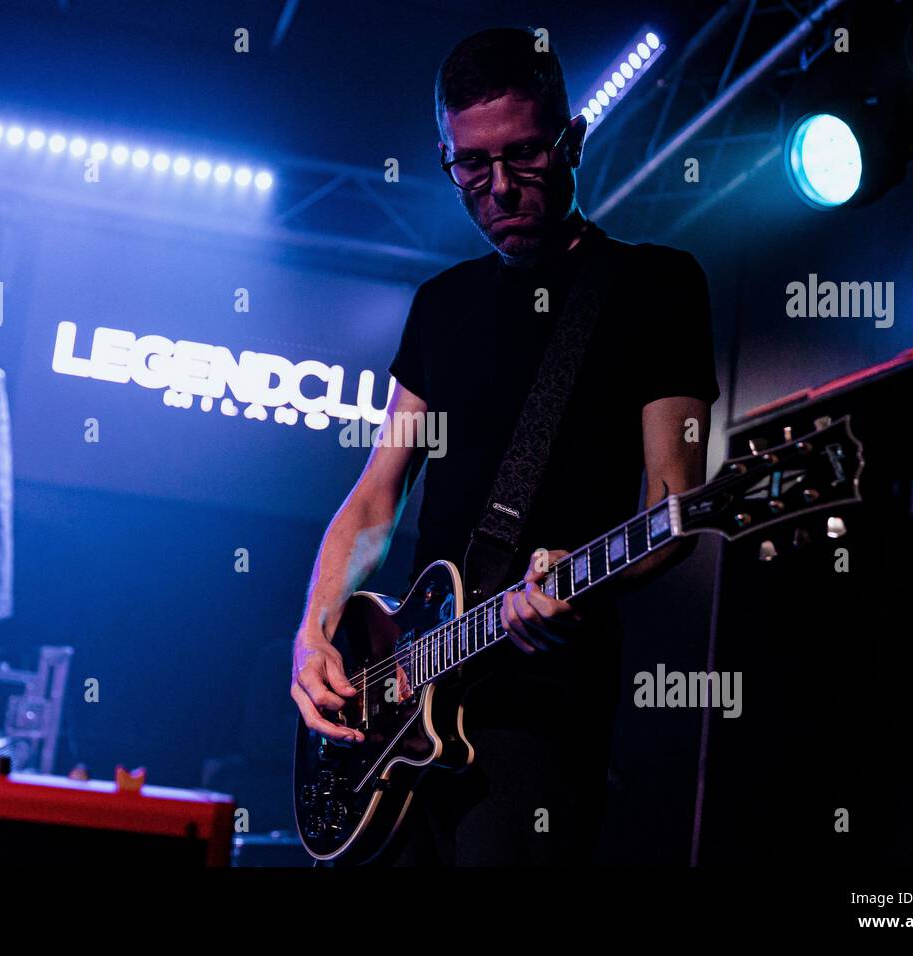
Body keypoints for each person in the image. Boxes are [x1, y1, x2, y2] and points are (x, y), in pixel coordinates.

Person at [290, 26, 719, 865]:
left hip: (537, 711)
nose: (496, 187)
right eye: (468, 165)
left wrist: (573, 587)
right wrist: (316, 634)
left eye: (523, 156)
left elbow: (673, 504)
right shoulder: (442, 304)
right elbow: (378, 497)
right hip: (401, 698)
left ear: (573, 141)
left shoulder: (655, 288)